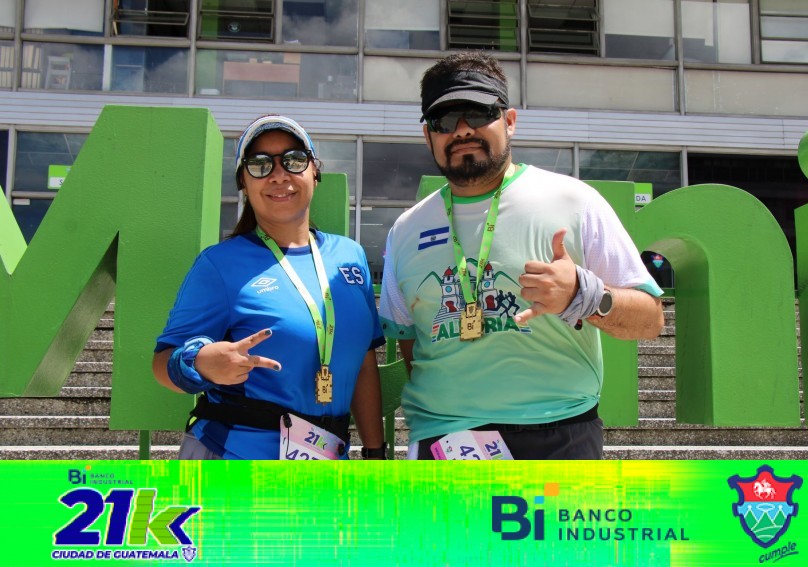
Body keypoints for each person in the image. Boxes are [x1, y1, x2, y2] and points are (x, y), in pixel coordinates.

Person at [378, 52, 664, 460]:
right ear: (429, 136)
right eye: (445, 120)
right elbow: (410, 342)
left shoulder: (574, 201)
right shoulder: (406, 230)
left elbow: (650, 320)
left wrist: (585, 295)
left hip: (560, 435)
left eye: (479, 113)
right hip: (445, 442)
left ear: (509, 121)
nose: (463, 130)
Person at [153, 115, 387, 460]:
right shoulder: (220, 264)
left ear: (315, 172)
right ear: (244, 184)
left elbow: (364, 362)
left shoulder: (350, 256)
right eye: (260, 164)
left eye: (293, 160)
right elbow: (162, 363)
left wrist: (376, 452)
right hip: (232, 459)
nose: (279, 174)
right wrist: (198, 363)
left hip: (326, 462)